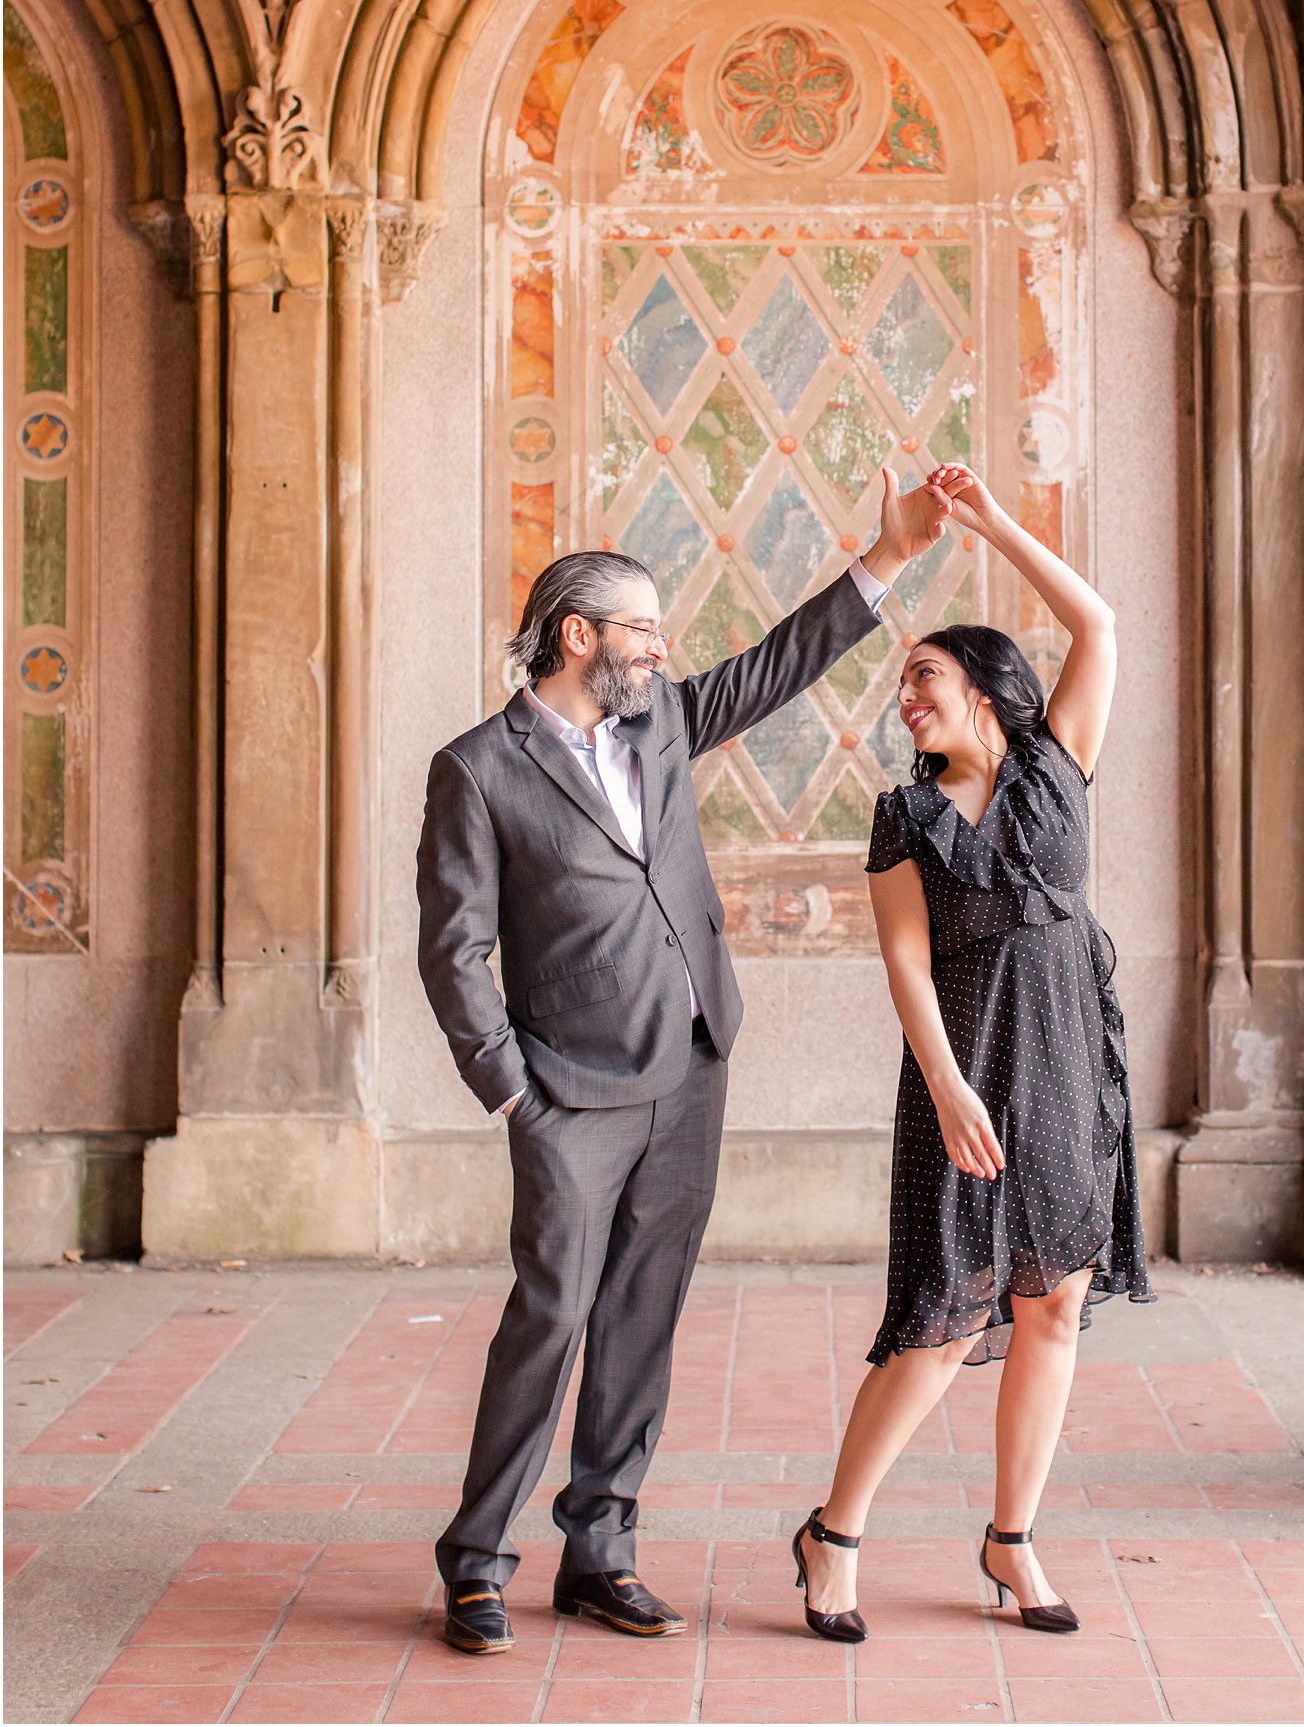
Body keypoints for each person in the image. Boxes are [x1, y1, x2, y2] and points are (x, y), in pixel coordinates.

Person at [415, 467, 951, 1655]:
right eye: (642, 633)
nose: (660, 652)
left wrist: (888, 557)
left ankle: (600, 1551)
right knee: (548, 1319)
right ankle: (475, 1564)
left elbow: (769, 668)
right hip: (567, 1091)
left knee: (643, 1315)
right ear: (577, 636)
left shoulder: (655, 718)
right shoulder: (478, 770)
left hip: (692, 1064)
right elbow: (452, 948)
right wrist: (510, 1085)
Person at [793, 462, 1152, 1645]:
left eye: (925, 677)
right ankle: (832, 1533)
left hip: (1066, 1065)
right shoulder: (906, 818)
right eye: (901, 684)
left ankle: (1011, 1540)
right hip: (968, 1076)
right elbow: (905, 964)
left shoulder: (1057, 765)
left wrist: (993, 522)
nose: (906, 699)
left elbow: (1094, 621)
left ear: (986, 689)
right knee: (941, 1322)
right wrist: (945, 1085)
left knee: (1050, 1308)